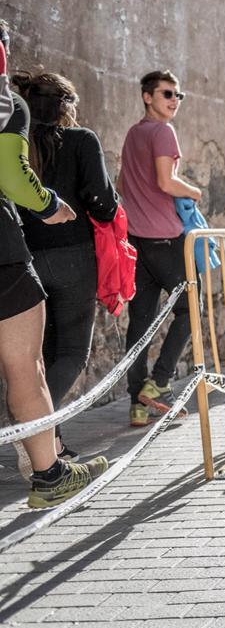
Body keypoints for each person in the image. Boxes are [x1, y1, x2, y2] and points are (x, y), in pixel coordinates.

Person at [0, 26, 108, 507]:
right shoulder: (13, 110)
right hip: (30, 254)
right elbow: (13, 176)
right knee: (35, 363)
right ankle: (46, 463)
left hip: (29, 253)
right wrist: (50, 204)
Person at [14, 70, 119, 460]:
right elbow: (103, 202)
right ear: (66, 107)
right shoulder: (81, 140)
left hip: (25, 258)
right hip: (73, 256)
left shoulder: (14, 143)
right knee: (73, 353)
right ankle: (34, 433)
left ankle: (50, 446)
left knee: (41, 355)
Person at [119, 70, 201, 428]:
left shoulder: (133, 134)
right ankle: (160, 381)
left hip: (136, 242)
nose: (174, 100)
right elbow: (166, 182)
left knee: (140, 324)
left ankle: (137, 405)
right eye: (167, 93)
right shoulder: (163, 132)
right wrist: (195, 192)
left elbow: (123, 183)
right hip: (166, 242)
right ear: (146, 96)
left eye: (178, 95)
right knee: (190, 311)